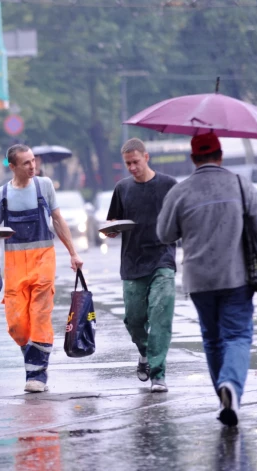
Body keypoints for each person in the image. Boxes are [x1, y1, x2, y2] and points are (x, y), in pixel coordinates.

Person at [157, 133, 257, 426]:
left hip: (198, 280)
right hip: (236, 276)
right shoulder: (238, 184)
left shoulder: (180, 192)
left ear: (193, 159)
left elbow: (164, 234)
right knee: (236, 335)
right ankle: (231, 386)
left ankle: (223, 395)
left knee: (212, 338)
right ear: (220, 155)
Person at [0, 144, 83, 393]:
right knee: (16, 322)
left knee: (40, 313)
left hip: (43, 258)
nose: (33, 166)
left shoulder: (44, 186)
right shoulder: (1, 195)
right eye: (26, 163)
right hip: (15, 264)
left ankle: (37, 373)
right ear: (13, 166)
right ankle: (33, 355)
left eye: (33, 161)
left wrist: (73, 253)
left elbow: (58, 220)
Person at [106, 138, 178, 393]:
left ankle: (158, 373)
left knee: (160, 314)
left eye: (135, 162)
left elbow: (179, 218)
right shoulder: (122, 188)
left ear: (146, 158)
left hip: (162, 258)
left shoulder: (169, 185)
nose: (132, 167)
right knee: (134, 319)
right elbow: (112, 222)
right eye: (128, 164)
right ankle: (145, 353)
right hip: (132, 262)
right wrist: (110, 230)